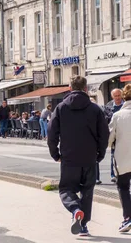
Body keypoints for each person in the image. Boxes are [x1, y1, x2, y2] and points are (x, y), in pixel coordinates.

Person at [48, 76, 109, 236]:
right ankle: (83, 225)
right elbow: (104, 134)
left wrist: (55, 154)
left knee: (66, 189)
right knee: (87, 191)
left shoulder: (61, 108)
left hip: (69, 157)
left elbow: (52, 134)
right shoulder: (95, 109)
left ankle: (75, 209)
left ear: (69, 87)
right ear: (86, 89)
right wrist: (100, 154)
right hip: (89, 157)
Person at [108, 84, 131, 233]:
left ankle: (127, 217)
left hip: (123, 159)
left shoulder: (118, 115)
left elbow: (110, 138)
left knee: (123, 187)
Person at [106, 88, 125, 183]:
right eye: (115, 96)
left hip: (124, 134)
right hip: (114, 135)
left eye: (119, 95)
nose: (117, 98)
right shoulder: (108, 106)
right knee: (113, 155)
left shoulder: (125, 105)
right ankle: (113, 174)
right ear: (112, 96)